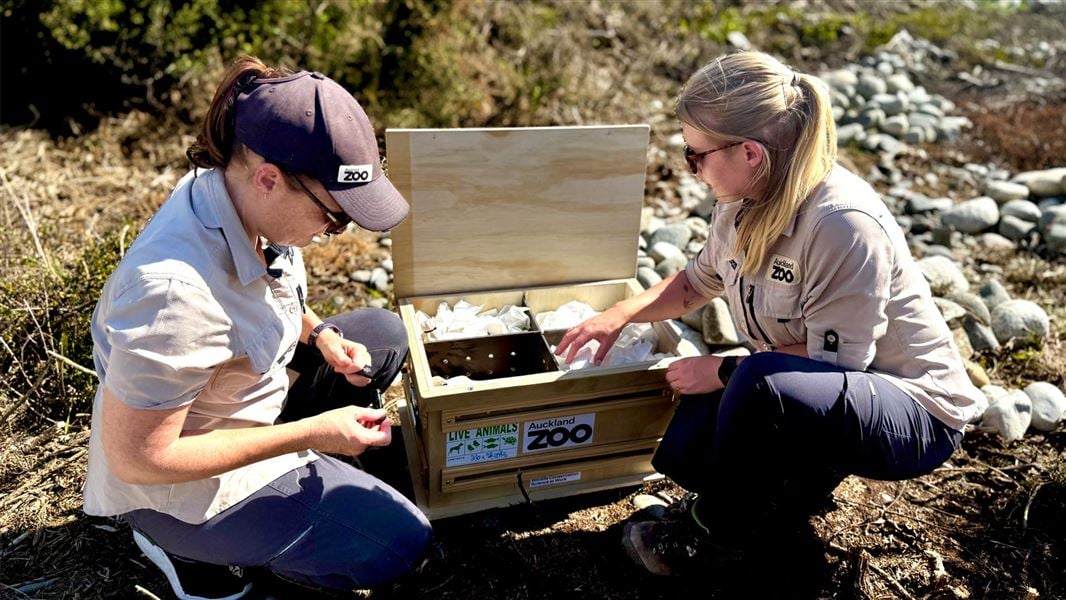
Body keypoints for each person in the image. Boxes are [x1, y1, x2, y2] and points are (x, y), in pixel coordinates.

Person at [555, 51, 984, 576]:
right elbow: (695, 282)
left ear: (751, 152)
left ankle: (708, 542)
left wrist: (721, 370)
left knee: (756, 383)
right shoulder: (742, 201)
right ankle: (783, 495)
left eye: (696, 155)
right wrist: (619, 314)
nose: (691, 170)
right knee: (687, 453)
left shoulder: (841, 225)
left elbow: (841, 360)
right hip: (830, 385)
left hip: (913, 411)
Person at [83, 55, 432, 599]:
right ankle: (180, 549)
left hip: (240, 406)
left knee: (382, 334)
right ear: (270, 178)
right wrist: (312, 435)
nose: (335, 232)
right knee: (399, 543)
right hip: (172, 484)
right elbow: (141, 458)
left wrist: (319, 335)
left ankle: (297, 503)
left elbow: (268, 293)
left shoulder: (240, 198)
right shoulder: (171, 295)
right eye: (334, 216)